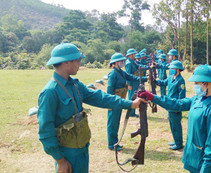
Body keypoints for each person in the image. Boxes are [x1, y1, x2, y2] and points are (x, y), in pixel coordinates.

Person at [37, 43, 144, 173]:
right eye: (78, 60)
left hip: (82, 146)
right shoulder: (50, 92)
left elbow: (100, 97)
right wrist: (60, 160)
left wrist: (129, 104)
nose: (79, 64)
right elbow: (45, 131)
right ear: (66, 62)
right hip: (67, 153)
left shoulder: (75, 85)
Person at [139, 64, 211, 173]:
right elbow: (177, 104)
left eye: (196, 83)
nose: (194, 86)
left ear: (206, 83)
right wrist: (153, 97)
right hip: (193, 156)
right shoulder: (197, 99)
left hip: (204, 164)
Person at [107, 53, 147, 151]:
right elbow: (109, 89)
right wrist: (109, 104)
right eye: (121, 61)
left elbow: (131, 77)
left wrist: (145, 78)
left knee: (116, 122)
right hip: (114, 102)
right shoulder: (113, 74)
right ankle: (111, 144)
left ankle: (115, 142)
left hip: (119, 101)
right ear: (115, 63)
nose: (123, 63)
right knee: (112, 123)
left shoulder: (121, 72)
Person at [156, 60, 185, 150]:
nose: (171, 70)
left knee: (176, 125)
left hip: (175, 106)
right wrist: (155, 81)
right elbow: (164, 82)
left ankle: (179, 143)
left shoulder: (180, 80)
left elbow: (181, 96)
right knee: (172, 125)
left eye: (172, 68)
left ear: (177, 69)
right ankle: (176, 141)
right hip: (169, 105)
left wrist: (179, 107)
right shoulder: (171, 77)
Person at [125, 48, 150, 117]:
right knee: (131, 97)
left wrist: (148, 67)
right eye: (134, 54)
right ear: (131, 55)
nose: (135, 55)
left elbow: (140, 66)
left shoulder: (133, 62)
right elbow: (127, 74)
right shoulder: (129, 63)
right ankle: (130, 112)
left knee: (135, 96)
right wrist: (128, 84)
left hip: (135, 82)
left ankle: (132, 112)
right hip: (131, 83)